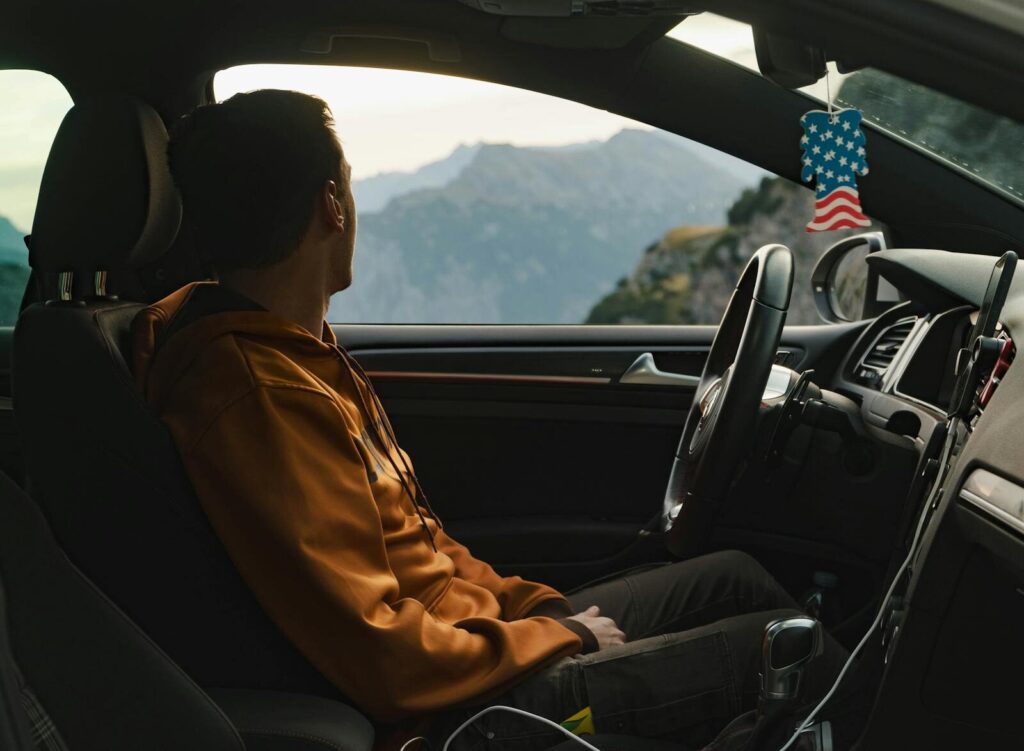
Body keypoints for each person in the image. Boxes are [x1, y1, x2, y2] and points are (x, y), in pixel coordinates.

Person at [132, 89, 845, 750]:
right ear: (332, 205)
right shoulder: (255, 395)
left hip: (475, 644)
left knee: (733, 578)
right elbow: (383, 656)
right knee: (797, 651)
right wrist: (555, 638)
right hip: (457, 711)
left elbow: (425, 548)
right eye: (347, 182)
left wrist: (542, 611)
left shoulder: (293, 350)